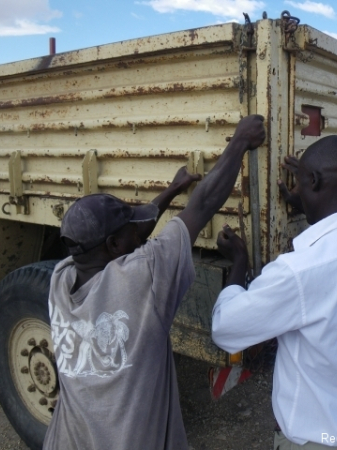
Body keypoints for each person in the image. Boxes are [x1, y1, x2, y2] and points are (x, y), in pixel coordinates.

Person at [43, 114, 266, 450]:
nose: (140, 233)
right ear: (115, 246)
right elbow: (203, 205)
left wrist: (174, 189)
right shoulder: (142, 278)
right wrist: (240, 142)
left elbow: (131, 233)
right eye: (131, 230)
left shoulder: (61, 278)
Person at [211, 135, 337, 450]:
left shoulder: (298, 273)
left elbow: (225, 328)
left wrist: (239, 263)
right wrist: (310, 197)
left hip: (309, 439)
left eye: (302, 183)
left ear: (314, 180)